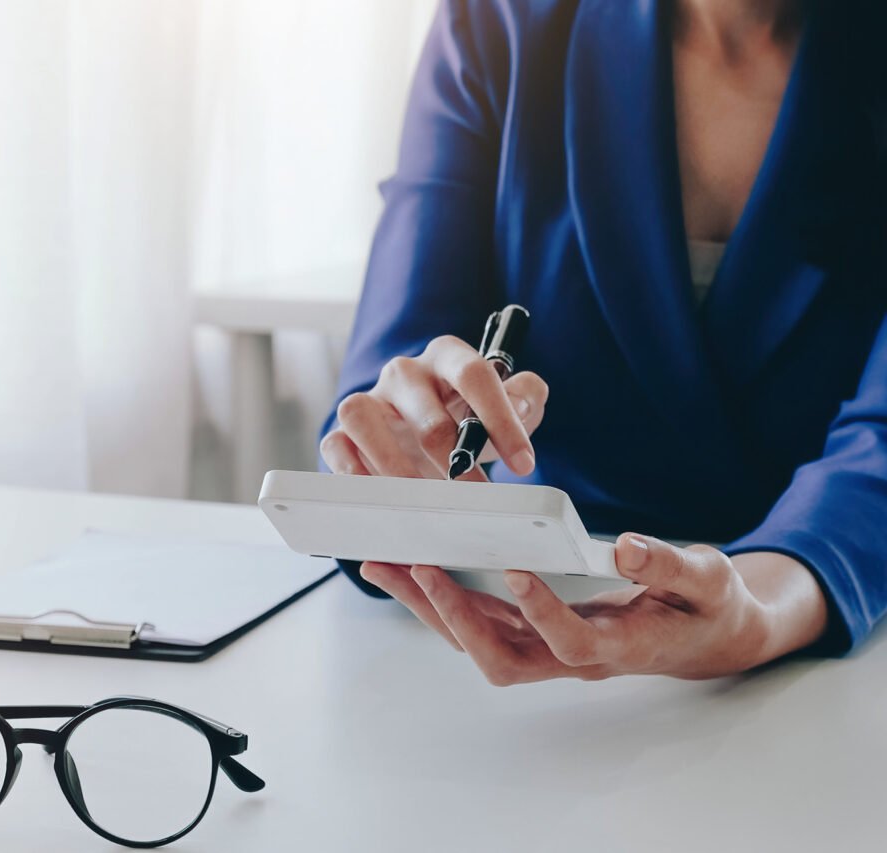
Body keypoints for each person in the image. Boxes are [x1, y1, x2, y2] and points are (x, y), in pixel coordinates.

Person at [320, 0, 887, 683]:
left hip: (826, 625)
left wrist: (764, 607)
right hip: (530, 604)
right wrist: (398, 437)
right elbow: (392, 360)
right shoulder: (496, 20)